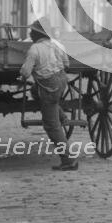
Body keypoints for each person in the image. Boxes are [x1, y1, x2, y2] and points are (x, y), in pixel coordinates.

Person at [20, 18, 77, 171]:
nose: (30, 34)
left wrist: (23, 74)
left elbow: (25, 72)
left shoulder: (34, 49)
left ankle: (68, 160)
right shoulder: (58, 45)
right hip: (61, 81)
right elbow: (67, 64)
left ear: (38, 34)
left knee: (51, 126)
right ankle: (62, 115)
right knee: (35, 92)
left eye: (32, 31)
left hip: (49, 87)